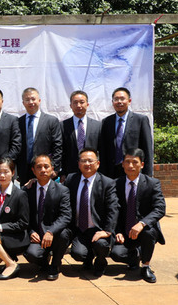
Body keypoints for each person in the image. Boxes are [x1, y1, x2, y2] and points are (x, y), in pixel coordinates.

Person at [58, 148, 119, 278]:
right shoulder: (71, 179)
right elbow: (56, 192)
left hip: (98, 228)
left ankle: (101, 262)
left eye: (91, 161)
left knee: (101, 245)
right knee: (78, 254)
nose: (87, 164)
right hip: (79, 228)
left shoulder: (107, 183)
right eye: (83, 161)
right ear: (79, 164)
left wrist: (107, 231)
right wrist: (34, 182)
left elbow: (113, 209)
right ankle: (88, 258)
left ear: (98, 163)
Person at [111, 149, 166, 283]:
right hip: (125, 232)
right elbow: (113, 210)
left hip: (143, 230)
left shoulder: (152, 184)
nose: (130, 166)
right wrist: (117, 231)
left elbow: (160, 208)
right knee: (115, 254)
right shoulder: (116, 184)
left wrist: (141, 223)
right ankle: (135, 256)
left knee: (149, 232)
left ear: (141, 165)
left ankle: (145, 266)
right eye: (127, 162)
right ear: (122, 164)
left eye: (134, 162)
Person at [23, 154, 72, 281]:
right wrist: (31, 231)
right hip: (37, 235)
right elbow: (23, 216)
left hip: (54, 234)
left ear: (52, 169)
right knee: (31, 254)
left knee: (64, 234)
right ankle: (44, 262)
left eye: (46, 166)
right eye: (39, 167)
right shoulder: (27, 190)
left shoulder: (62, 190)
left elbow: (66, 216)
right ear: (33, 170)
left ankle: (55, 264)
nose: (43, 170)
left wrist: (51, 231)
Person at [100, 87, 153, 179]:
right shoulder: (106, 122)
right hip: (111, 172)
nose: (119, 102)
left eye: (122, 99)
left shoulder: (140, 120)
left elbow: (147, 147)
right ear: (112, 102)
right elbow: (103, 149)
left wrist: (147, 173)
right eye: (116, 99)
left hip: (133, 170)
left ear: (129, 101)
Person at [17, 87, 62, 184]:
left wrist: (55, 168)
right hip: (24, 170)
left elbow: (57, 146)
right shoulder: (18, 122)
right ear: (23, 103)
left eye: (33, 99)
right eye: (27, 100)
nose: (31, 102)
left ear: (39, 100)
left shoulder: (51, 121)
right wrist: (17, 172)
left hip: (44, 169)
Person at [60, 90, 101, 180]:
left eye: (82, 102)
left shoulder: (98, 125)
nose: (79, 105)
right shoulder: (62, 126)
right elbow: (61, 150)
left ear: (87, 104)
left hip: (92, 172)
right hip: (70, 173)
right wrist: (62, 173)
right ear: (71, 106)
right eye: (75, 103)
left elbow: (102, 150)